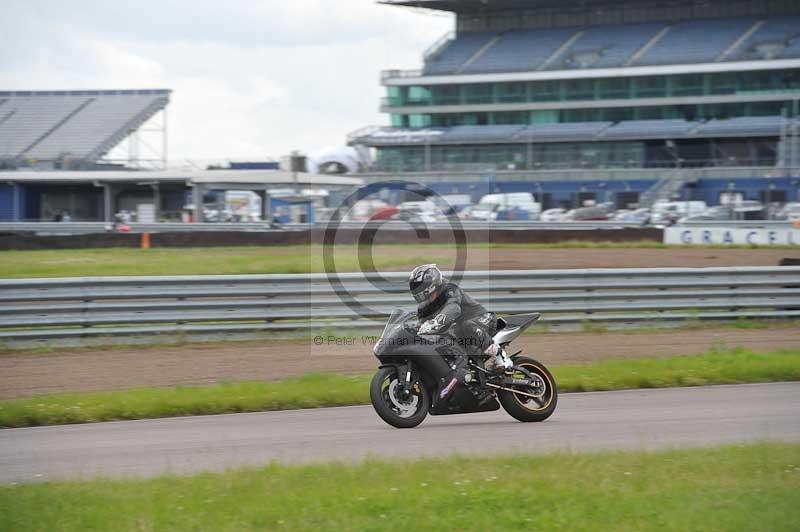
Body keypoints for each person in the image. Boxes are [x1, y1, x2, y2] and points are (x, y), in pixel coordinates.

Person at [409, 264, 510, 401]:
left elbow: (453, 309)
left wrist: (435, 322)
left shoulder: (449, 289)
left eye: (421, 288)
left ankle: (499, 356)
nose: (419, 292)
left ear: (432, 283)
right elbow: (421, 326)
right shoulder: (423, 308)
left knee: (466, 324)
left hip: (482, 320)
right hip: (459, 334)